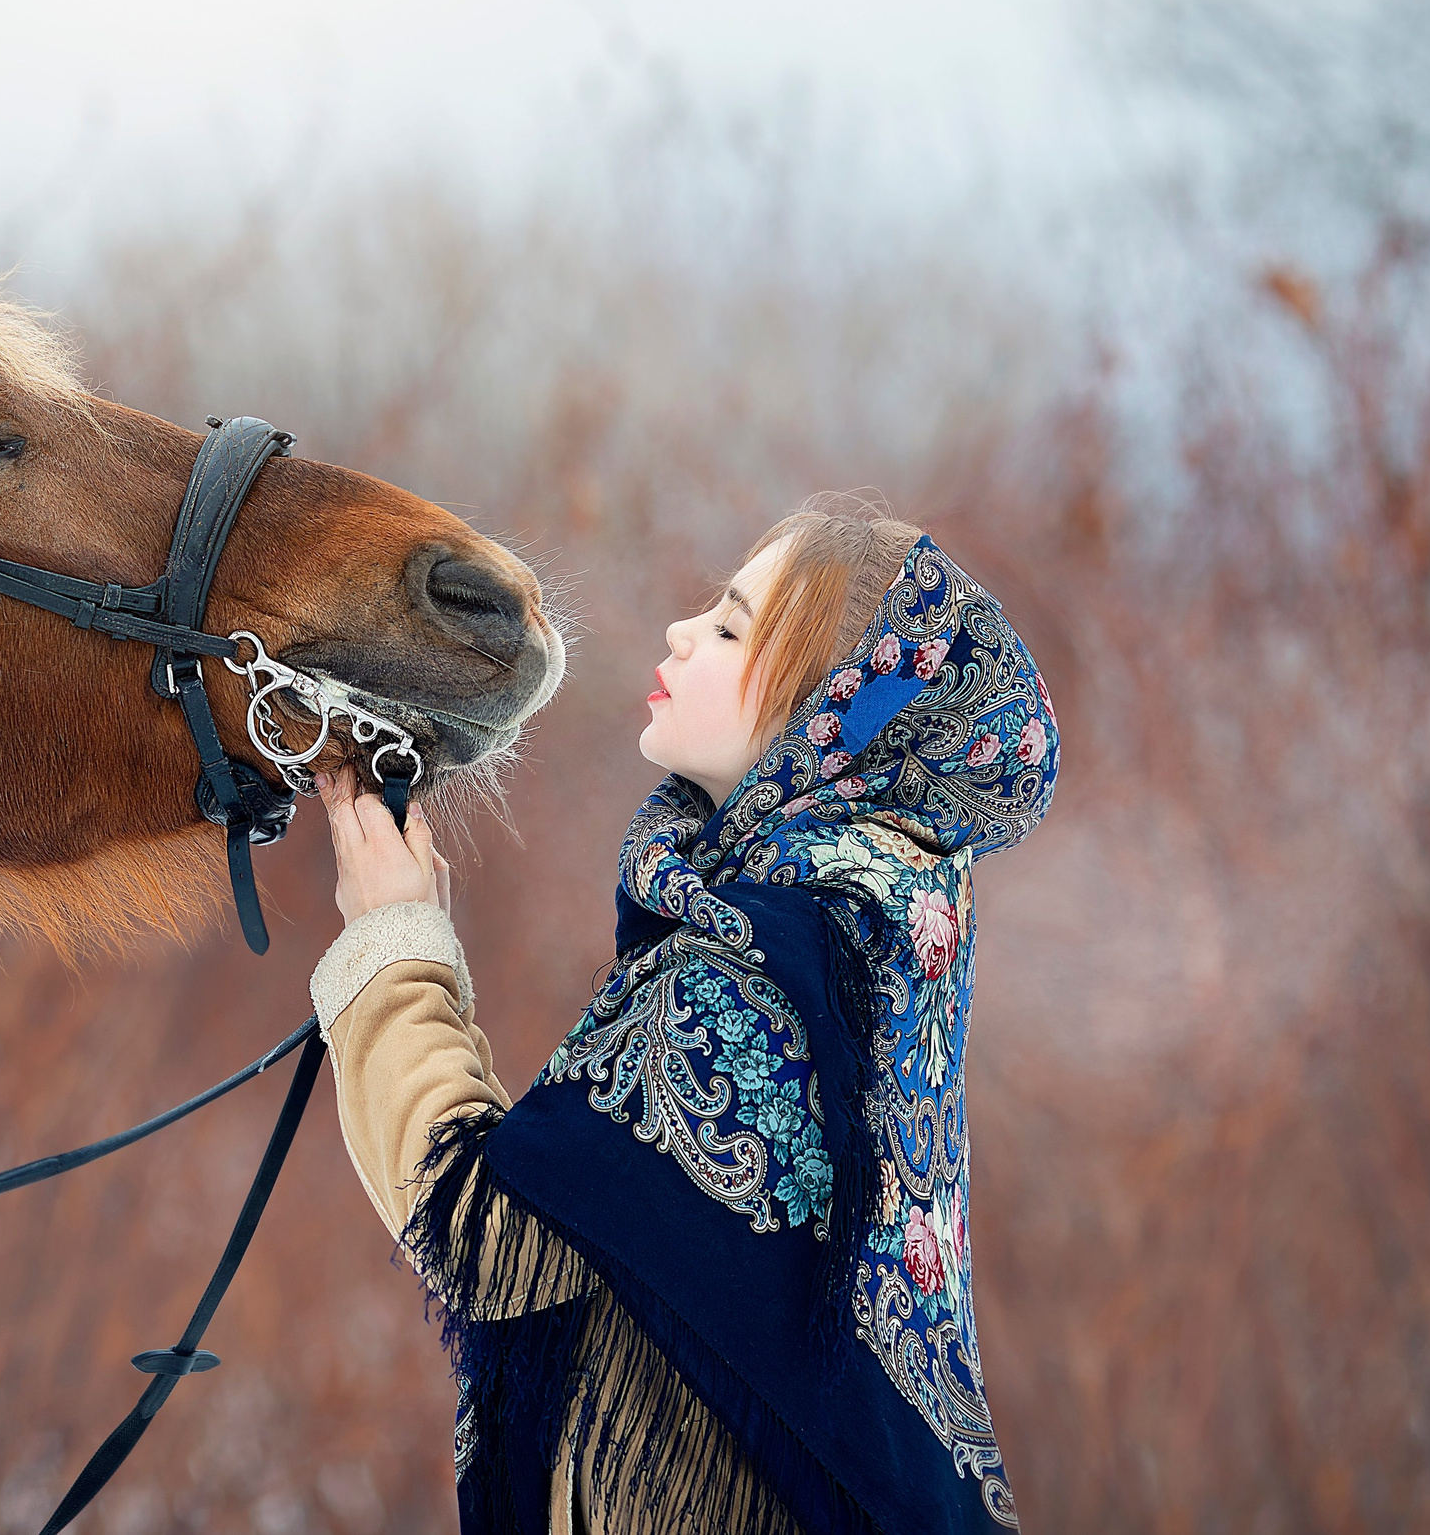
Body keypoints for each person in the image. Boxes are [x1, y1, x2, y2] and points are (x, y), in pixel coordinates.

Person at [310, 500, 1057, 1534]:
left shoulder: (767, 959)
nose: (681, 632)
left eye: (730, 628)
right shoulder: (878, 930)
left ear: (831, 719)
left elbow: (488, 1241)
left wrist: (393, 947)